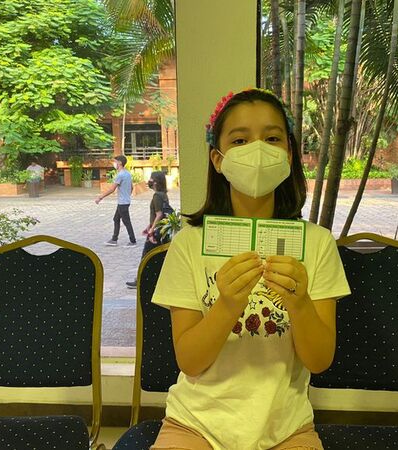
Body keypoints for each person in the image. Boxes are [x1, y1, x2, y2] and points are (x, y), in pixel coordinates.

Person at [150, 88, 351, 450]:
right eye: (240, 140)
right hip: (193, 425)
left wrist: (300, 302)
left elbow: (320, 360)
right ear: (217, 158)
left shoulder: (317, 243)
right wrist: (227, 304)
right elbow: (190, 361)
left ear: (288, 154)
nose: (258, 150)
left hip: (286, 428)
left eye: (272, 138)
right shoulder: (189, 244)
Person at [126, 170, 172, 289]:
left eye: (151, 179)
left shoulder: (157, 196)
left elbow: (159, 214)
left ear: (156, 182)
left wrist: (151, 230)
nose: (149, 181)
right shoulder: (163, 194)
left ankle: (140, 280)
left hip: (156, 232)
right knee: (159, 257)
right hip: (162, 230)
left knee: (146, 256)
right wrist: (149, 226)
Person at [95, 155, 137, 247]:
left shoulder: (120, 175)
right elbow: (132, 187)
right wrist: (126, 195)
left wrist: (100, 197)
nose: (114, 163)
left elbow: (112, 189)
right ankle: (114, 239)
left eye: (115, 162)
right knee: (116, 219)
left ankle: (133, 241)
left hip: (122, 203)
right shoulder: (127, 173)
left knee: (126, 221)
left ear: (120, 163)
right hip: (125, 201)